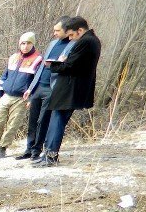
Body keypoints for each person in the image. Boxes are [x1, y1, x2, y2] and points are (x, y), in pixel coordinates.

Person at [36, 16, 101, 167]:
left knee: (57, 121)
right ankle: (48, 154)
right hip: (71, 88)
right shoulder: (90, 41)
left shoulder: (86, 41)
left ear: (80, 30)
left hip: (70, 88)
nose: (71, 39)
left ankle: (51, 156)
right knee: (56, 120)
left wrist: (52, 65)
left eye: (71, 35)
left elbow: (70, 65)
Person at [16, 17, 71, 161]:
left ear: (67, 30)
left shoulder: (72, 45)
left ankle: (37, 151)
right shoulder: (53, 43)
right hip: (39, 86)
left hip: (52, 88)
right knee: (33, 120)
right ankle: (29, 149)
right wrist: (32, 88)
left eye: (57, 30)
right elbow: (41, 67)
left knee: (43, 120)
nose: (54, 33)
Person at [0, 32, 43, 158]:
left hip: (21, 98)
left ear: (33, 44)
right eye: (23, 43)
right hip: (6, 95)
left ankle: (2, 148)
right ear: (19, 44)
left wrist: (31, 98)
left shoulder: (37, 59)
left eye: (29, 43)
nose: (25, 46)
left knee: (13, 124)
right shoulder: (13, 57)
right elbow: (4, 76)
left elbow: (37, 81)